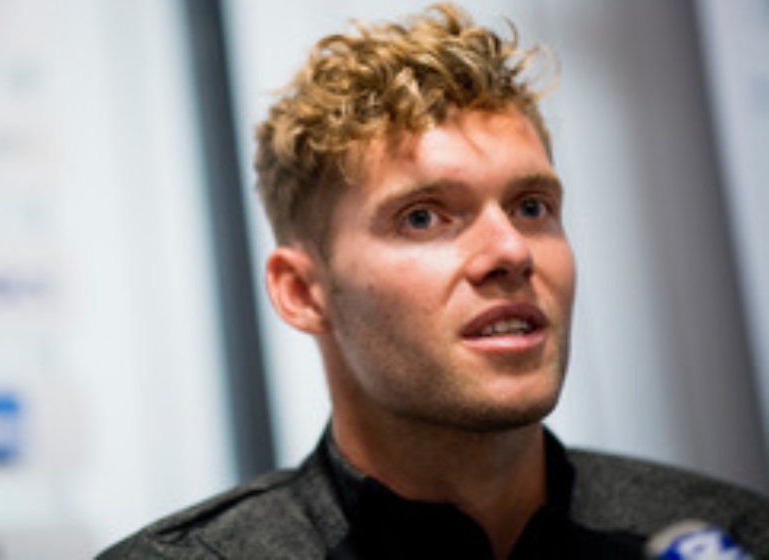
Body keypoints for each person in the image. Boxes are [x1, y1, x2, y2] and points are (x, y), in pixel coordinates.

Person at [99, 3, 769, 558]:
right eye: (422, 217)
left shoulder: (730, 536)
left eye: (531, 207)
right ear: (302, 293)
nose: (510, 251)